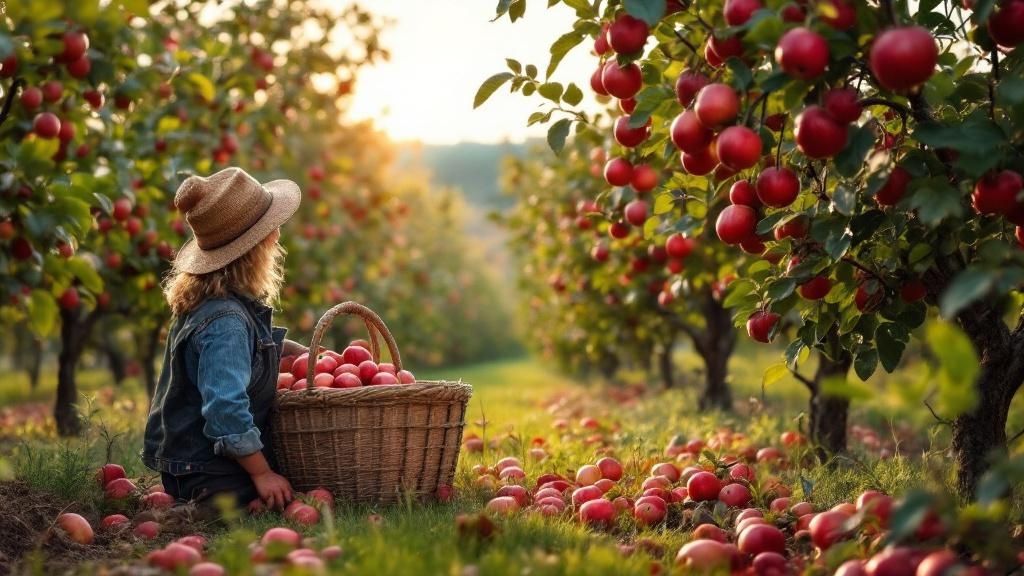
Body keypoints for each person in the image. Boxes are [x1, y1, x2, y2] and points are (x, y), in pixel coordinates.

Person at [142, 167, 305, 514]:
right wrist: (262, 474)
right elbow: (225, 409)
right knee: (281, 496)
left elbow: (247, 353)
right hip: (210, 472)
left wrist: (302, 354)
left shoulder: (211, 307)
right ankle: (196, 510)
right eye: (269, 230)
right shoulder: (225, 322)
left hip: (193, 465)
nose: (277, 234)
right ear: (253, 251)